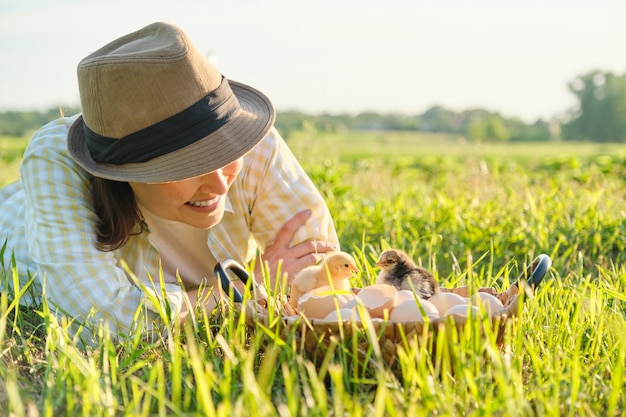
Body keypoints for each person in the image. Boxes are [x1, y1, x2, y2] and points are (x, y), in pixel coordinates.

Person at [0, 22, 339, 340]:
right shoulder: (56, 157)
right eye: (189, 166)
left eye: (225, 156)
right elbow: (98, 322)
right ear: (125, 172)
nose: (221, 185)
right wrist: (241, 289)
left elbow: (322, 276)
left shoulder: (251, 139)